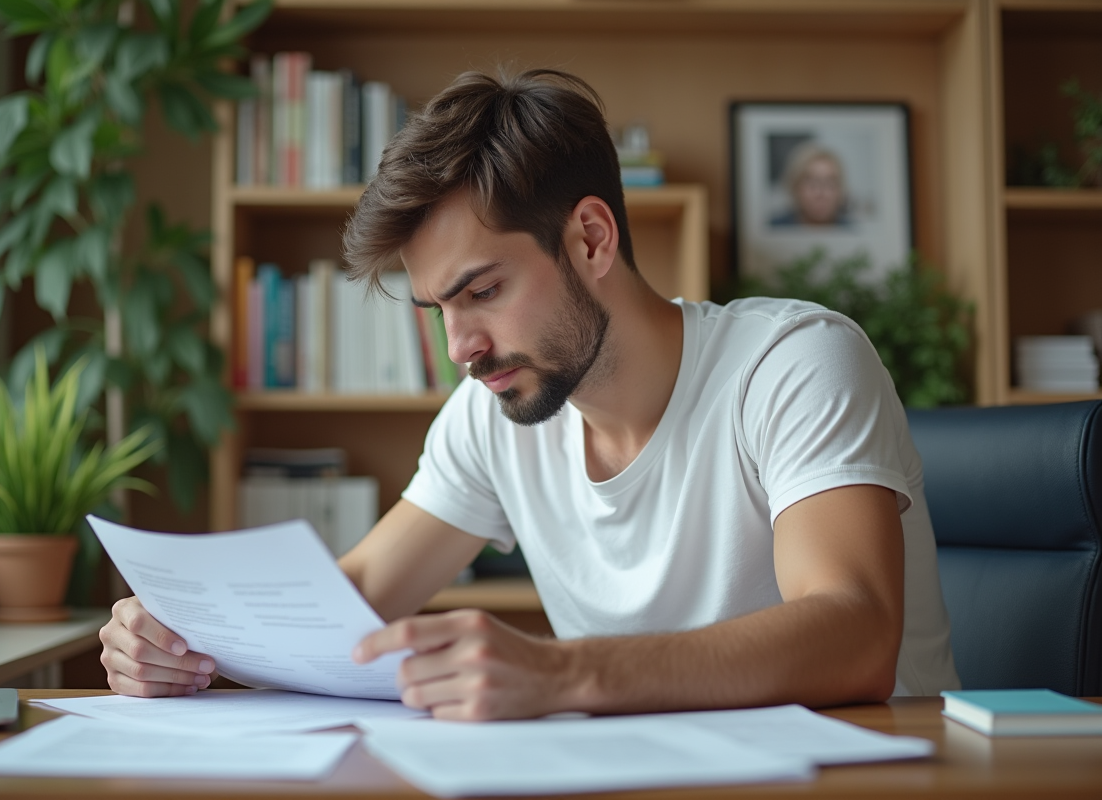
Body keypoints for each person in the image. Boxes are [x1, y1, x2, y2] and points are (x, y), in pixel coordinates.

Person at [100, 69, 960, 720]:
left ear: (591, 238)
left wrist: (561, 671)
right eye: (438, 309)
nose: (460, 350)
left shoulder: (793, 363)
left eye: (482, 291)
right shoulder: (493, 415)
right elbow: (349, 607)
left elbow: (854, 633)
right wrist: (184, 641)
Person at [771, 142, 850, 227]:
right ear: (795, 187)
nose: (820, 194)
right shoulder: (774, 229)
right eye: (812, 184)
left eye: (829, 184)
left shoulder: (853, 231)